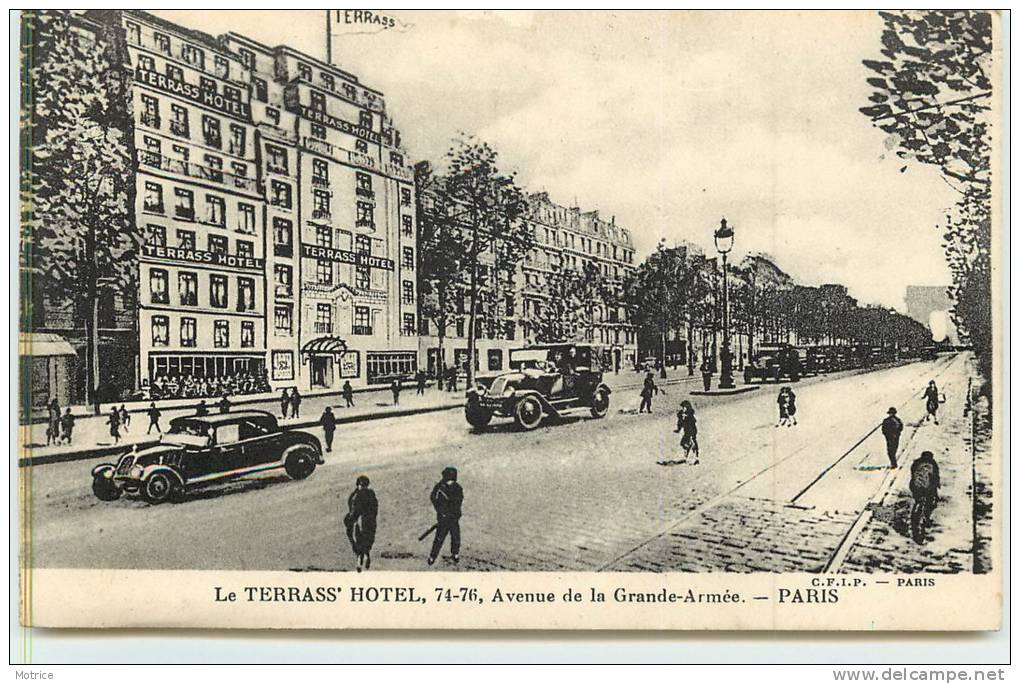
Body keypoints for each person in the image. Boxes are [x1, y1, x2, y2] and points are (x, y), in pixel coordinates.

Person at [428, 466, 464, 566]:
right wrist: (440, 511)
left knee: (455, 537)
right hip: (443, 518)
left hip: (453, 518)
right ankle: (433, 556)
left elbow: (459, 501)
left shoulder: (457, 488)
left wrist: (456, 513)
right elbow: (433, 498)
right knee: (439, 538)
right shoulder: (440, 487)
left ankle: (455, 553)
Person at [344, 475, 378, 572]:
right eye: (361, 485)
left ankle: (363, 557)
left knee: (365, 541)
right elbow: (352, 509)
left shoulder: (367, 495)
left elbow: (374, 510)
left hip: (367, 522)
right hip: (359, 522)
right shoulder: (355, 496)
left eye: (364, 485)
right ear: (358, 485)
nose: (362, 487)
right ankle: (362, 558)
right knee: (359, 542)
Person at [909, 450, 941, 532]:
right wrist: (936, 493)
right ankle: (926, 519)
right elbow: (935, 479)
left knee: (918, 501)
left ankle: (914, 516)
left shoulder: (916, 463)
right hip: (927, 487)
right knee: (929, 503)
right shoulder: (933, 464)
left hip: (915, 486)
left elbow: (912, 474)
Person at [678, 400, 700, 465]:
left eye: (684, 407)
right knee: (683, 443)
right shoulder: (682, 414)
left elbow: (693, 422)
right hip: (686, 431)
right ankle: (687, 456)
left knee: (692, 443)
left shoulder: (690, 414)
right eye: (682, 407)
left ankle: (695, 458)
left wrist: (686, 417)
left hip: (691, 431)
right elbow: (680, 423)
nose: (683, 409)